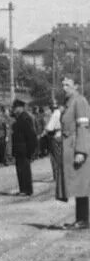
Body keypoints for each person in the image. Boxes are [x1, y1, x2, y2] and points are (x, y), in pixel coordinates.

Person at [59, 76, 90, 229]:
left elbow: (83, 128)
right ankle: (80, 219)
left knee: (81, 185)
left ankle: (83, 220)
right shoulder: (69, 102)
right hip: (70, 147)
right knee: (78, 185)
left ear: (76, 86)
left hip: (77, 148)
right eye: (63, 85)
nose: (64, 87)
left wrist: (81, 151)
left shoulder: (80, 101)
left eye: (68, 85)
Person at [10, 99, 38, 197]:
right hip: (19, 149)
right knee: (20, 170)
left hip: (24, 149)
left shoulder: (25, 118)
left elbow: (31, 135)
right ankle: (23, 189)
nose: (14, 110)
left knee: (24, 170)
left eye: (15, 107)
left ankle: (27, 189)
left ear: (20, 108)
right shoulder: (19, 118)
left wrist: (30, 150)